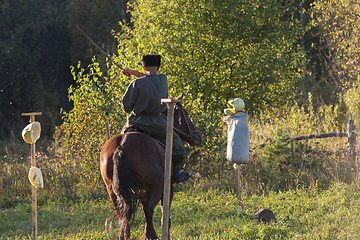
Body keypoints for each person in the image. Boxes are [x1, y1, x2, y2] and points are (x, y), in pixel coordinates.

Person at [121, 54, 191, 183]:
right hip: (157, 123)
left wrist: (132, 73)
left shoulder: (135, 83)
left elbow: (126, 108)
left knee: (120, 144)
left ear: (143, 67)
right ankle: (176, 172)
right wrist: (132, 72)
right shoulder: (163, 79)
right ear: (158, 67)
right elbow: (150, 78)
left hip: (136, 122)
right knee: (178, 147)